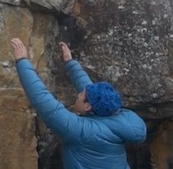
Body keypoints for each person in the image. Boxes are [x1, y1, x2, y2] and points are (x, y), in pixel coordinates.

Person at [11, 38, 146, 168]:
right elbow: (90, 91)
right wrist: (70, 63)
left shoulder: (83, 132)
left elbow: (44, 102)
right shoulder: (115, 117)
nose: (78, 94)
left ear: (88, 106)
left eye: (81, 95)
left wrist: (22, 61)